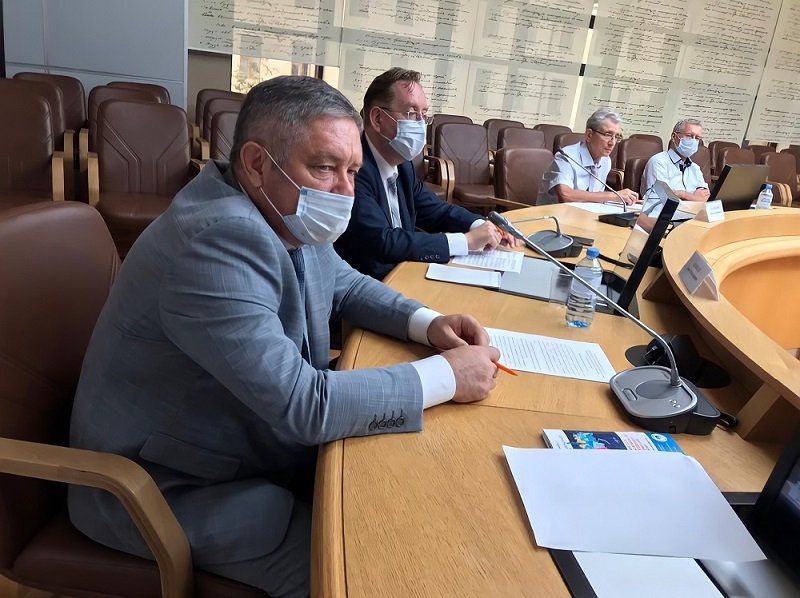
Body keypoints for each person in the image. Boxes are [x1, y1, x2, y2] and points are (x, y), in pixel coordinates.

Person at [67, 76, 501, 597]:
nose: (345, 191)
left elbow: (344, 284)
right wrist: (446, 377)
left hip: (246, 446)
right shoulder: (217, 239)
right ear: (256, 163)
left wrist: (427, 322)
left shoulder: (282, 207)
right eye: (325, 167)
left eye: (353, 171)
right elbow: (305, 405)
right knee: (367, 575)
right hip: (164, 490)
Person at [334, 67, 520, 280]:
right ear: (377, 118)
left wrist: (482, 226)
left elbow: (436, 211)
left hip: (406, 270)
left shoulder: (402, 165)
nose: (421, 125)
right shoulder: (352, 169)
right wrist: (467, 241)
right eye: (411, 113)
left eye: (424, 115)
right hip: (369, 281)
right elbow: (383, 241)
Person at [537, 108, 639, 206]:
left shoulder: (605, 160)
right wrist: (613, 196)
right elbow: (566, 196)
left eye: (616, 137)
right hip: (552, 215)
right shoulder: (566, 157)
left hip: (585, 213)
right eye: (608, 134)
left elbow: (595, 198)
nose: (612, 143)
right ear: (589, 135)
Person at [641, 118, 710, 202]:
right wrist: (692, 196)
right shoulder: (658, 162)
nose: (693, 141)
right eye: (689, 136)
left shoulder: (695, 168)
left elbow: (705, 197)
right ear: (674, 137)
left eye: (697, 138)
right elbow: (660, 197)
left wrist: (681, 194)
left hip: (693, 209)